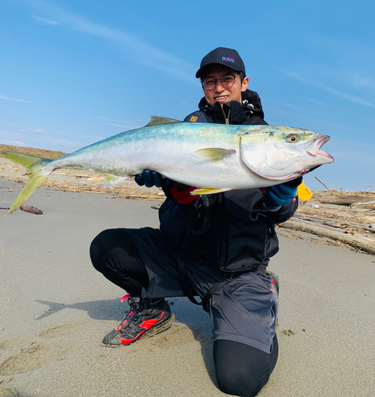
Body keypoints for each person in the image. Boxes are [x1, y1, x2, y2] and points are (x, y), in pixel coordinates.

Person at [90, 47, 300, 397]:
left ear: (243, 83)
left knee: (240, 380)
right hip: (179, 258)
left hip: (237, 275)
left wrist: (283, 195)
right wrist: (175, 189)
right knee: (107, 248)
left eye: (227, 79)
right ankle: (153, 309)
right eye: (209, 81)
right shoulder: (184, 130)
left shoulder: (266, 139)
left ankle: (260, 300)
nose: (218, 88)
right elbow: (184, 198)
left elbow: (279, 211)